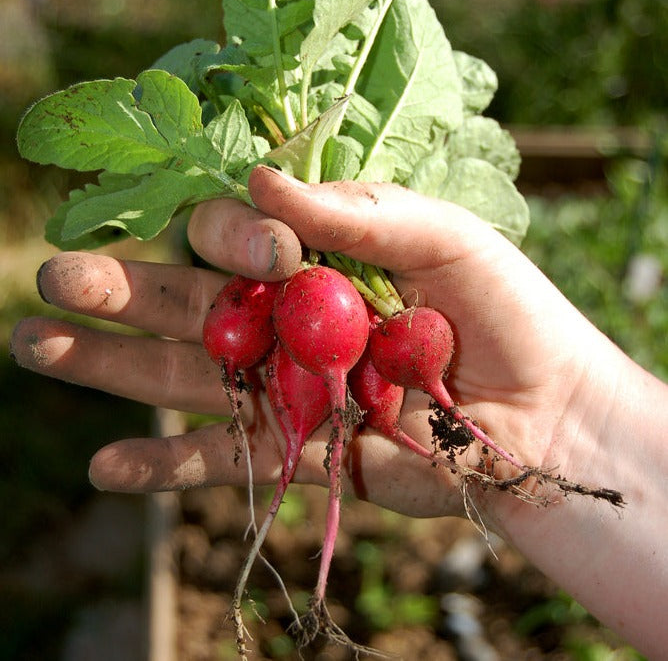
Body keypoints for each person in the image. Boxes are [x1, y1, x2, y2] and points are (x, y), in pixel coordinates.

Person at [11, 165, 668, 658]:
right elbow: (314, 356)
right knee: (309, 384)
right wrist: (579, 431)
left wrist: (573, 419)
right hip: (318, 327)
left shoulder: (398, 343)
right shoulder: (311, 341)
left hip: (343, 327)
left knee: (333, 402)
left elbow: (350, 358)